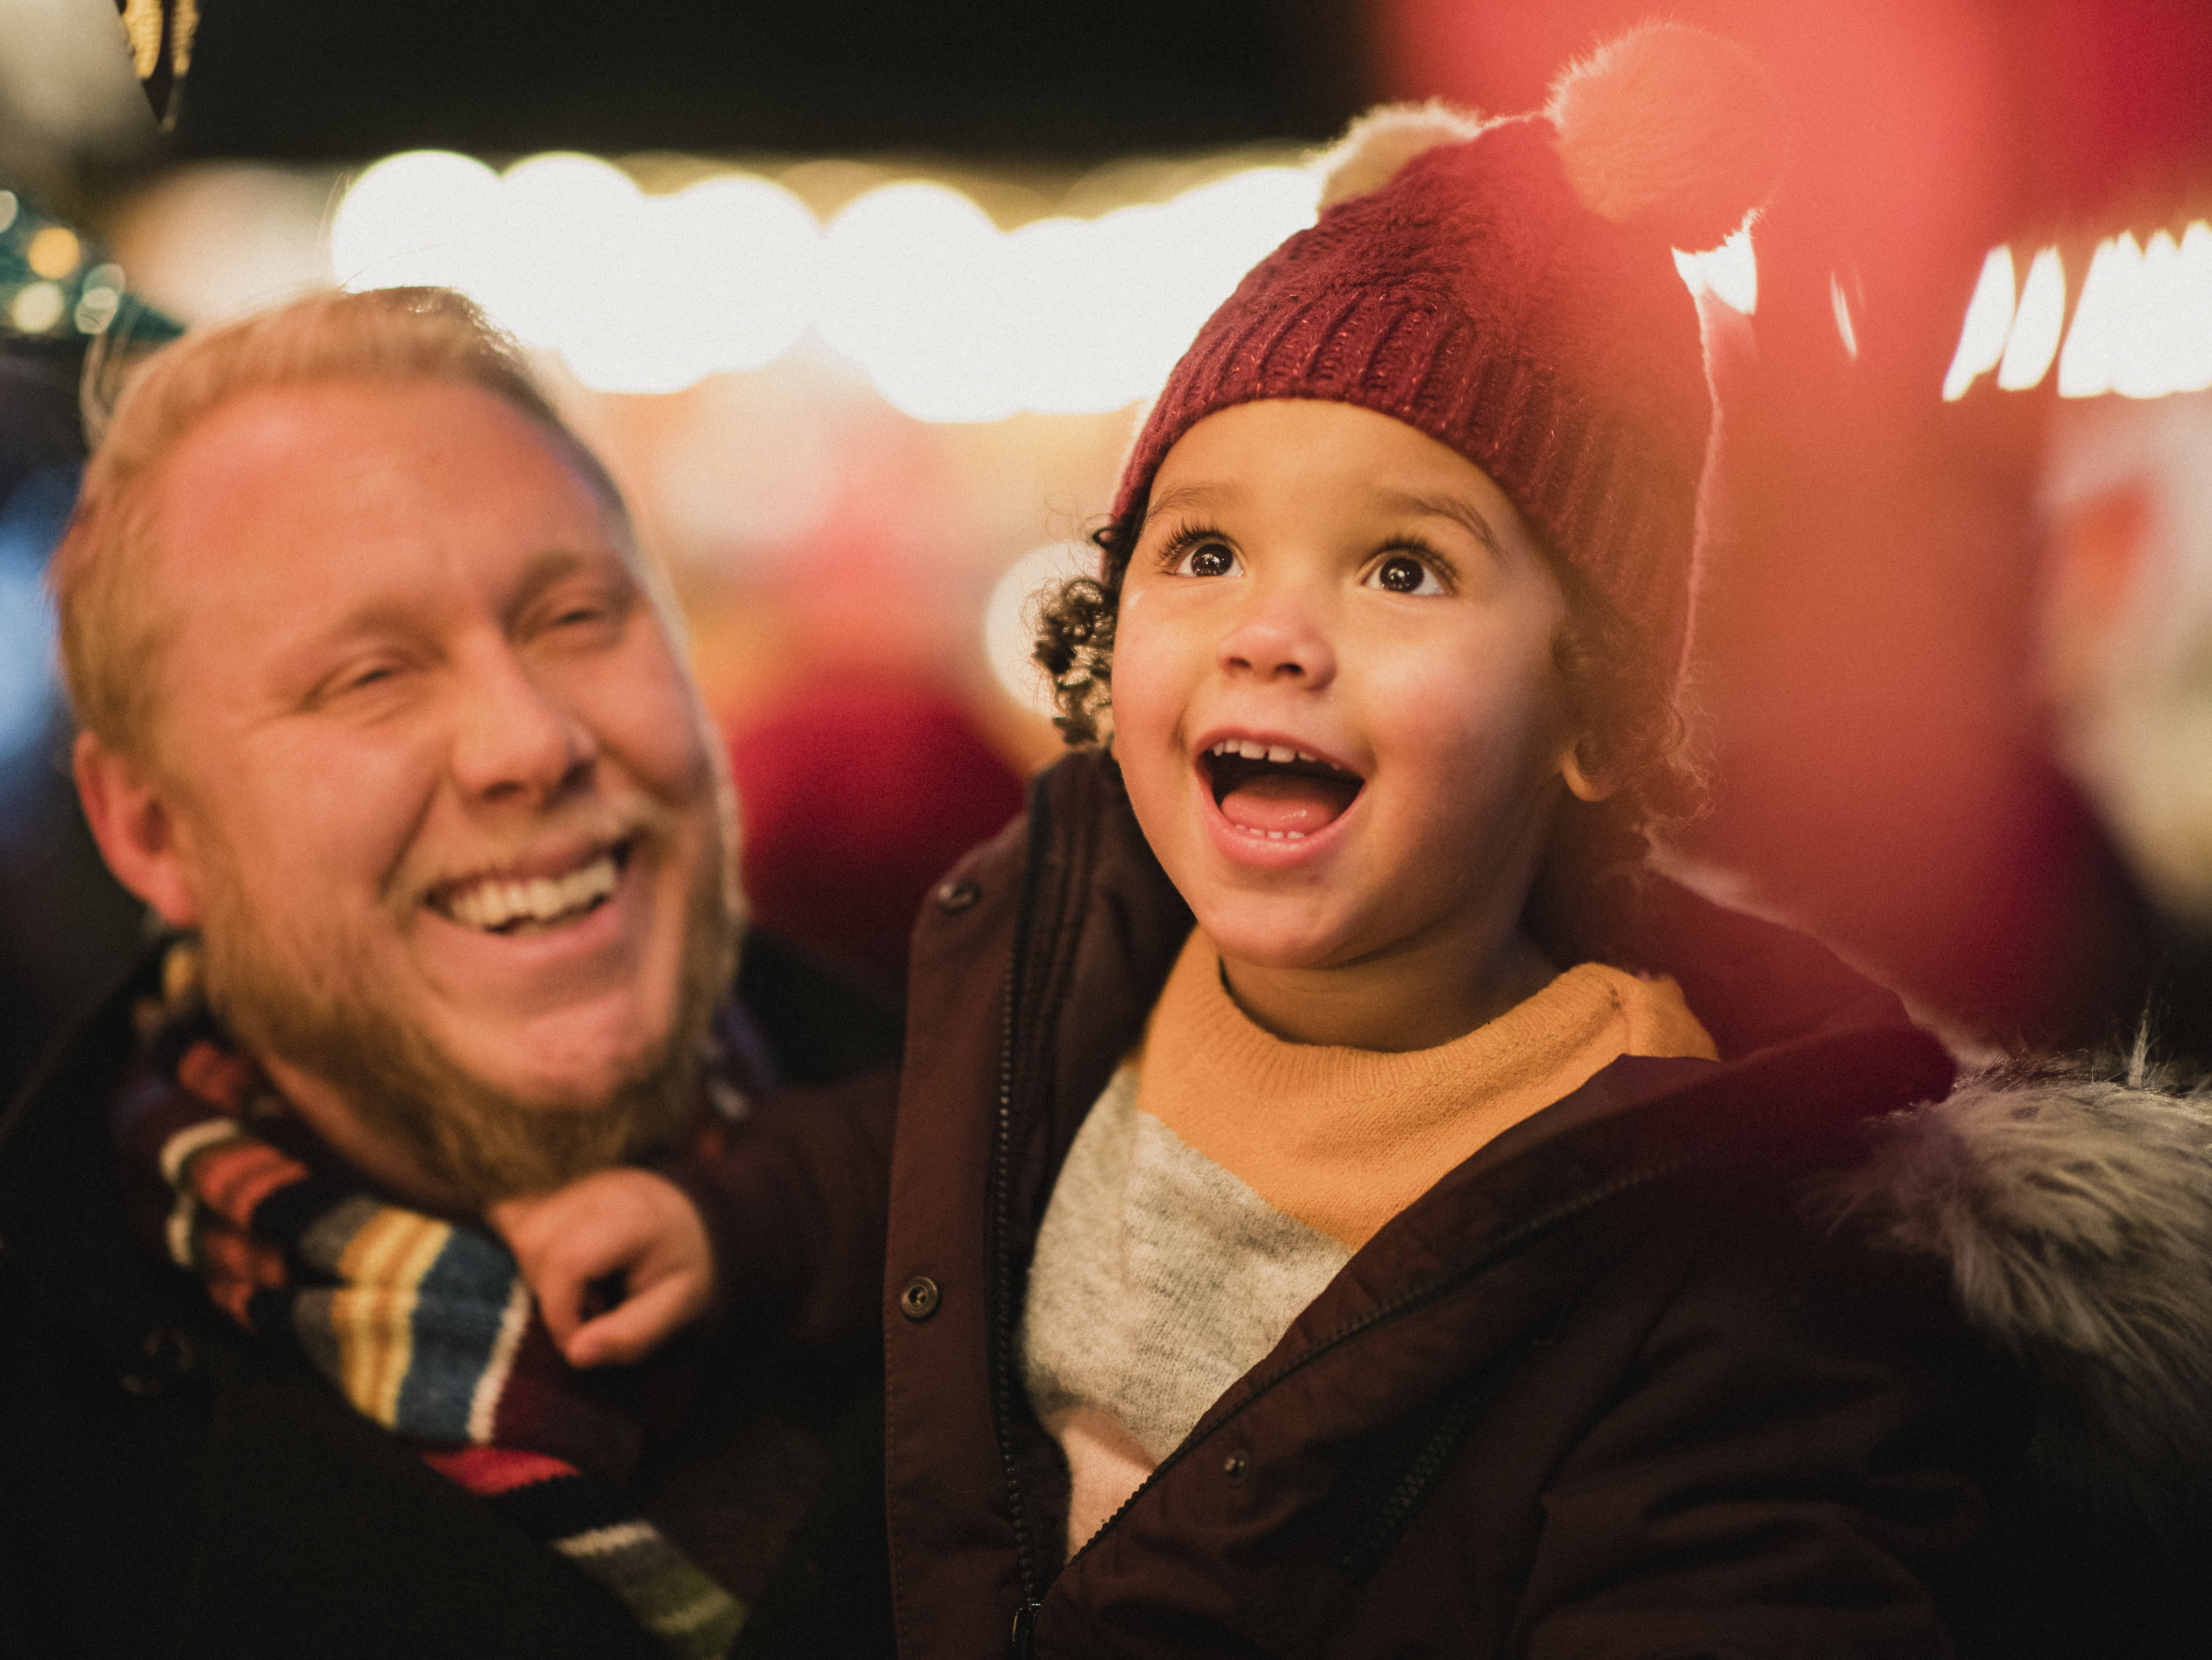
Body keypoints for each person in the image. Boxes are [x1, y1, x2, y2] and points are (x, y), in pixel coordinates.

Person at [501, 26, 2212, 1659]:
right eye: (1203, 553)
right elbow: (939, 1154)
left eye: (1403, 570)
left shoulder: (1719, 1255)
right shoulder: (1066, 938)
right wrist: (736, 1222)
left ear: (1599, 717)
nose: (1272, 633)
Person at [0, 287, 903, 1659]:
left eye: (579, 617)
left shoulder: (1047, 1204)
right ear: (148, 829)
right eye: (371, 677)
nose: (527, 742)